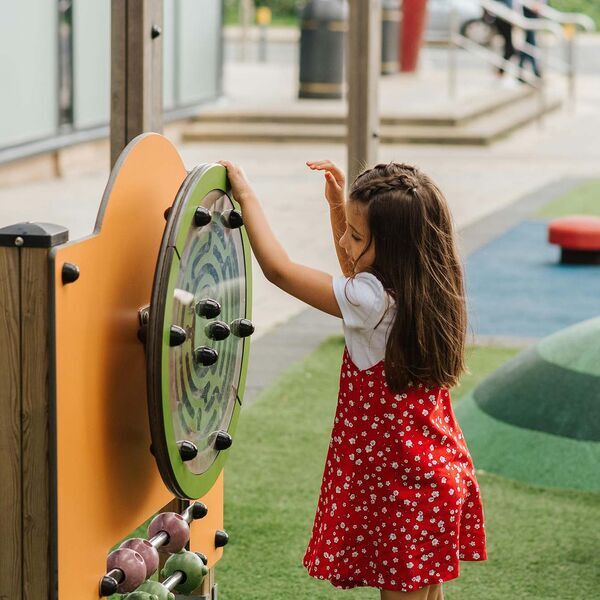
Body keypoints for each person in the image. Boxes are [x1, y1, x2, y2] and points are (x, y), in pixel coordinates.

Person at [218, 158, 487, 599]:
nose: (344, 241)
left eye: (356, 236)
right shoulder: (428, 288)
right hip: (435, 474)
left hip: (404, 490)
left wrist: (246, 196)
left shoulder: (372, 302)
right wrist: (338, 209)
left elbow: (280, 271)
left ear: (393, 250)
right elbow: (357, 272)